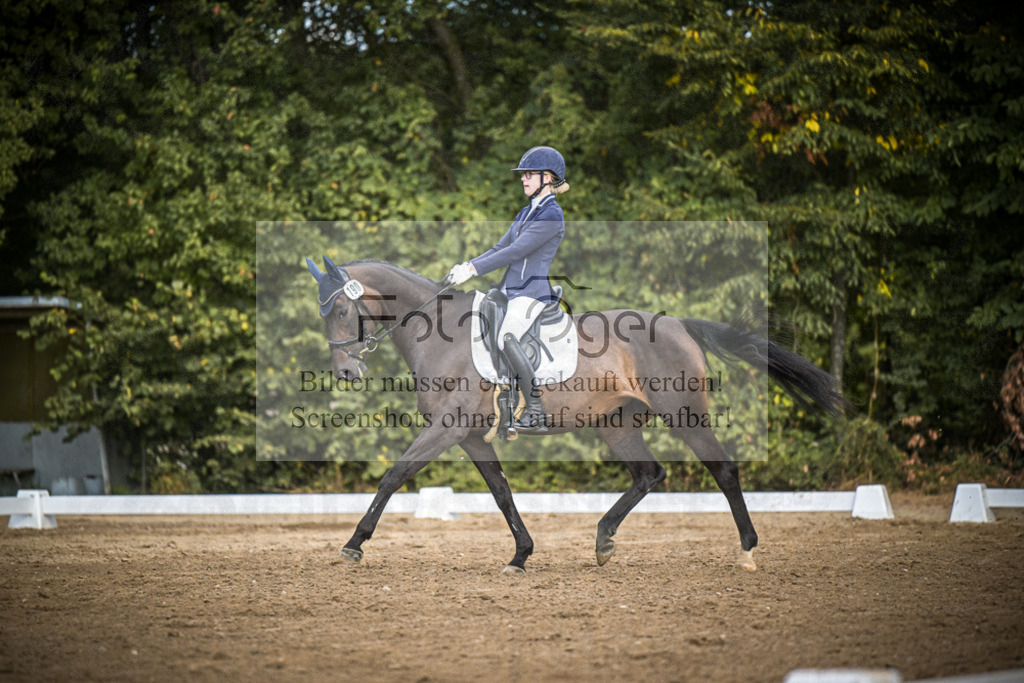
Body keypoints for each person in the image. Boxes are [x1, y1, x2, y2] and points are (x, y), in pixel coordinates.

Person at [447, 145, 570, 431]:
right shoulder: (526, 212)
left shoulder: (552, 215)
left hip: (531, 293)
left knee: (507, 336)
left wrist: (473, 270)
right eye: (523, 175)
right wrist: (466, 265)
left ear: (548, 177)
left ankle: (536, 410)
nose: (524, 179)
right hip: (509, 290)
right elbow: (499, 247)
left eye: (529, 174)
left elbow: (516, 252)